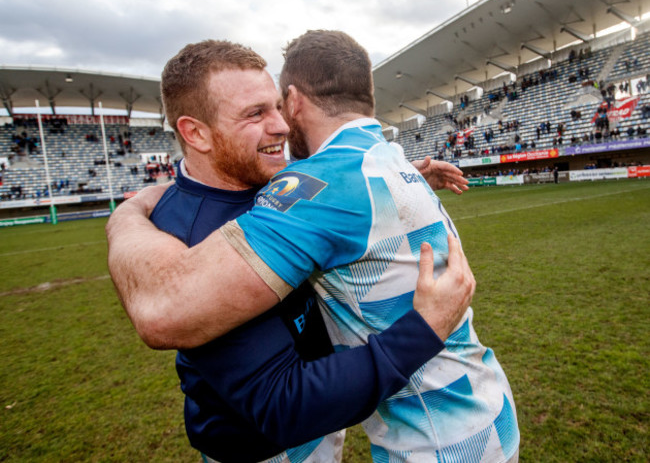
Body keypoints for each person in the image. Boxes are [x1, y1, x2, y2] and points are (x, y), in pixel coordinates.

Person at [107, 31, 518, 462]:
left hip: (355, 430)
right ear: (196, 133)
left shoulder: (290, 185)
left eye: (277, 106)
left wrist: (391, 187)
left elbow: (333, 184)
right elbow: (279, 402)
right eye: (255, 113)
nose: (282, 125)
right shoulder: (185, 231)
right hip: (264, 448)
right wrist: (126, 216)